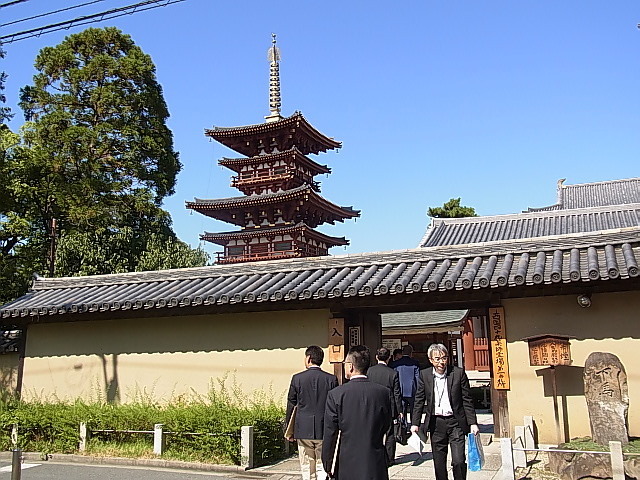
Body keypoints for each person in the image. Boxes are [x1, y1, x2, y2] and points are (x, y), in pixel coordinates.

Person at [410, 343, 479, 480]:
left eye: (444, 358)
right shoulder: (425, 375)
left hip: (456, 422)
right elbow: (419, 400)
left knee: (459, 460)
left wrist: (473, 423)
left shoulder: (458, 373)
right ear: (431, 360)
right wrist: (415, 423)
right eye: (437, 359)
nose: (441, 362)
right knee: (439, 462)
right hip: (436, 423)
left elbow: (467, 400)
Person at [322, 345, 391, 480]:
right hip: (375, 458)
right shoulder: (383, 393)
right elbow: (386, 425)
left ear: (351, 366)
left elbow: (330, 433)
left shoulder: (336, 394)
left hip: (347, 461)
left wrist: (328, 464)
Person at [286, 345, 339, 480]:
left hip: (303, 427)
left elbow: (291, 404)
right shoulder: (331, 379)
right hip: (324, 427)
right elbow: (335, 405)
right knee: (322, 463)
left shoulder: (297, 378)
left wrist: (288, 429)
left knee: (306, 465)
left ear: (308, 358)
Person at [367, 347, 403, 467]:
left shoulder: (369, 371)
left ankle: (373, 457)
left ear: (376, 357)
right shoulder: (393, 373)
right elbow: (397, 393)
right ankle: (389, 459)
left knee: (373, 432)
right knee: (390, 434)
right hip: (389, 406)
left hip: (372, 405)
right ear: (389, 358)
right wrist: (400, 410)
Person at [391, 344, 420, 422]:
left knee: (401, 411)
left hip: (400, 390)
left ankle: (403, 427)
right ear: (411, 353)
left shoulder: (396, 363)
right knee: (413, 410)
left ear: (402, 352)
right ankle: (413, 427)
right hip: (412, 390)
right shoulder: (415, 363)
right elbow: (417, 378)